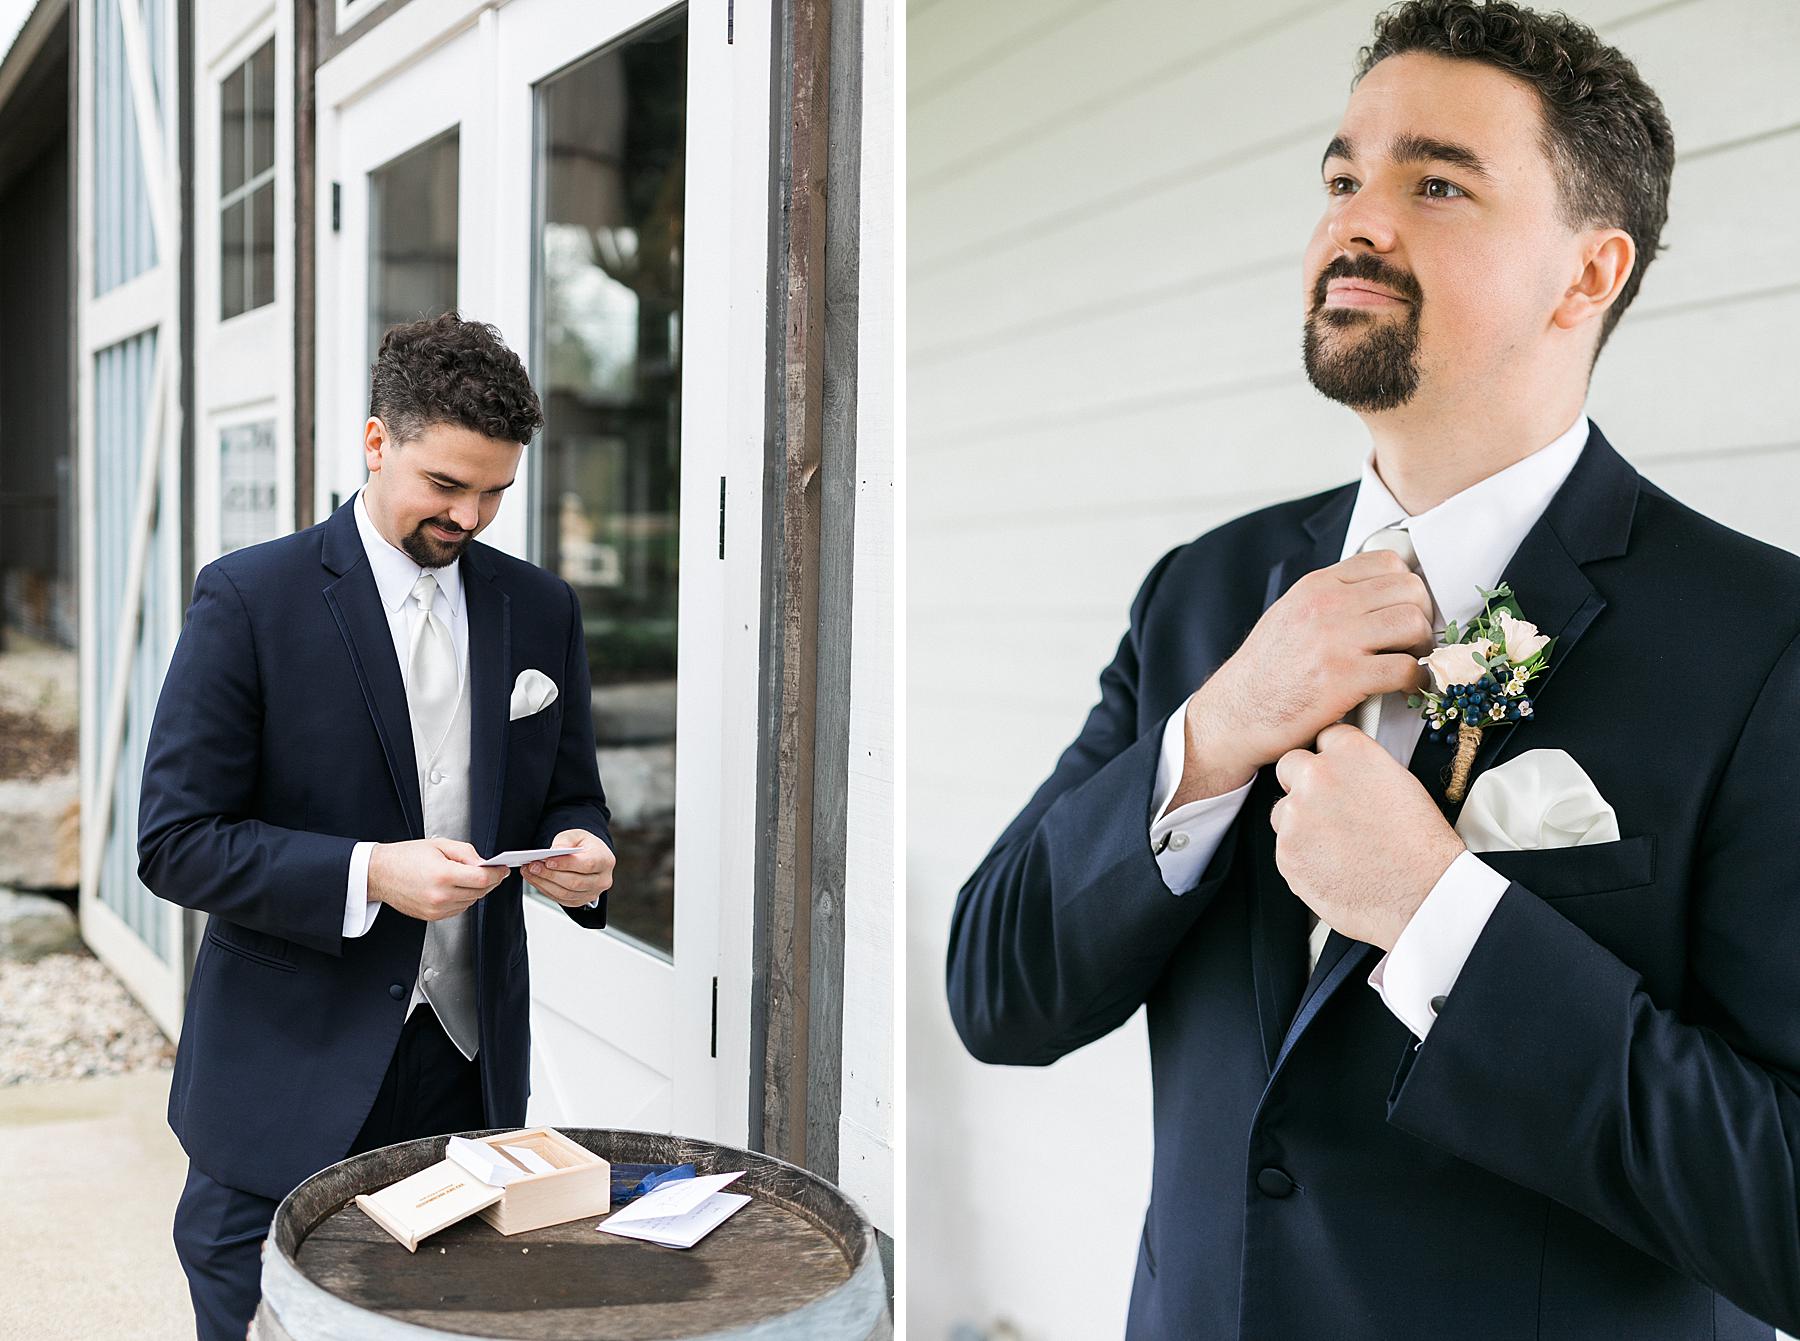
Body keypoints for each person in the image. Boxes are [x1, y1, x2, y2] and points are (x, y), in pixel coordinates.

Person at [945, 3, 1800, 1337]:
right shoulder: (1206, 596)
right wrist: (1218, 731)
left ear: (1588, 275)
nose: (1358, 220)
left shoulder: (1763, 640)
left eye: (1437, 181)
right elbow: (997, 990)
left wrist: (1443, 917)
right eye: (1344, 176)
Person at [140, 311, 617, 1340]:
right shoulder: (250, 599)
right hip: (283, 1074)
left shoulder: (541, 610)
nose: (472, 515)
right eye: (446, 485)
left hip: (466, 1065)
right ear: (376, 443)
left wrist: (585, 852)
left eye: (495, 490)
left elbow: (569, 791)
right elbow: (174, 838)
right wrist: (368, 873)